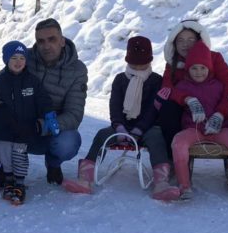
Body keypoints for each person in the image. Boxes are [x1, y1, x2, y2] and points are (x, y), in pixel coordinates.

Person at [0, 18, 87, 188]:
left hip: (48, 128)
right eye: (41, 41)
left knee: (69, 141)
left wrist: (42, 125)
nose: (46, 45)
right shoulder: (23, 57)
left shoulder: (77, 70)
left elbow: (74, 114)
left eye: (52, 39)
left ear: (62, 40)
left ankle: (53, 163)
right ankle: (6, 164)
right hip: (16, 123)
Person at [154, 19, 228, 197]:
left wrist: (220, 114)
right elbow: (167, 89)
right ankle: (173, 162)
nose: (185, 45)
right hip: (190, 119)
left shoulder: (214, 58)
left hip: (218, 114)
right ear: (174, 43)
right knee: (168, 107)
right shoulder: (172, 64)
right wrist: (187, 99)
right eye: (181, 40)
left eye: (191, 39)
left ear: (200, 40)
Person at [62, 36, 172, 198]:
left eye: (142, 64)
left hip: (146, 128)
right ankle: (85, 178)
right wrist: (119, 127)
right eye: (134, 64)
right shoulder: (120, 79)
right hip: (121, 127)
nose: (138, 67)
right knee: (102, 135)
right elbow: (115, 106)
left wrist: (139, 130)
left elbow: (152, 110)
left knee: (157, 136)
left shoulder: (156, 81)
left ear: (149, 61)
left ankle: (161, 182)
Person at [163, 41, 228, 203]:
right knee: (178, 143)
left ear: (210, 68)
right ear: (187, 69)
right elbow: (171, 94)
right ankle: (184, 185)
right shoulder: (183, 86)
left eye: (203, 68)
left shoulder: (219, 86)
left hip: (220, 129)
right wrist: (188, 101)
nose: (198, 72)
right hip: (194, 129)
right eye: (194, 68)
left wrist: (219, 116)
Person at [0, 42, 59, 204]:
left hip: (24, 129)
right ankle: (8, 181)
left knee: (19, 156)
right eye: (14, 57)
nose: (18, 61)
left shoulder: (32, 81)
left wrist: (49, 114)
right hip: (4, 128)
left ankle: (19, 183)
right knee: (5, 156)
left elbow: (43, 99)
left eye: (22, 58)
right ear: (6, 59)